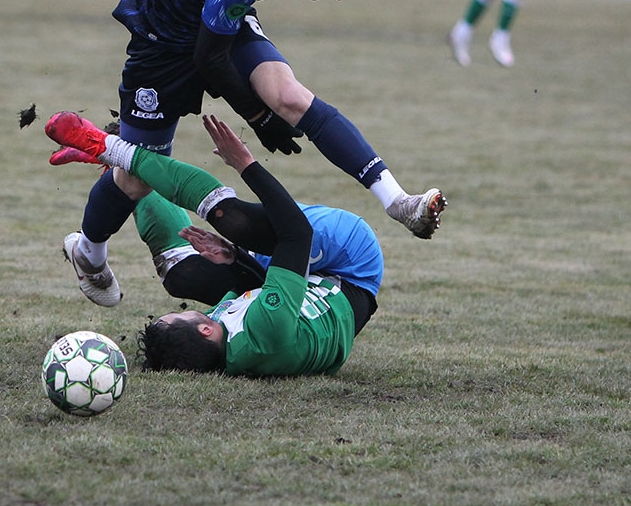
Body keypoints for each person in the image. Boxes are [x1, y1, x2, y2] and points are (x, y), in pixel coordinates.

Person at [58, 0, 446, 307]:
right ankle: (89, 252)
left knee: (289, 97)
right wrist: (259, 117)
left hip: (221, 11)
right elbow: (210, 59)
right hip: (164, 41)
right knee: (138, 177)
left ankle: (397, 201)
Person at [46, 110, 384, 376]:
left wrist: (234, 258)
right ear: (206, 330)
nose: (195, 311)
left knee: (181, 274)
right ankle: (108, 146)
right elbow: (297, 234)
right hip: (350, 264)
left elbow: (258, 292)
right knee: (233, 220)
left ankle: (121, 169)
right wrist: (245, 164)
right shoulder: (267, 332)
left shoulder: (218, 346)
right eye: (183, 315)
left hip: (300, 288)